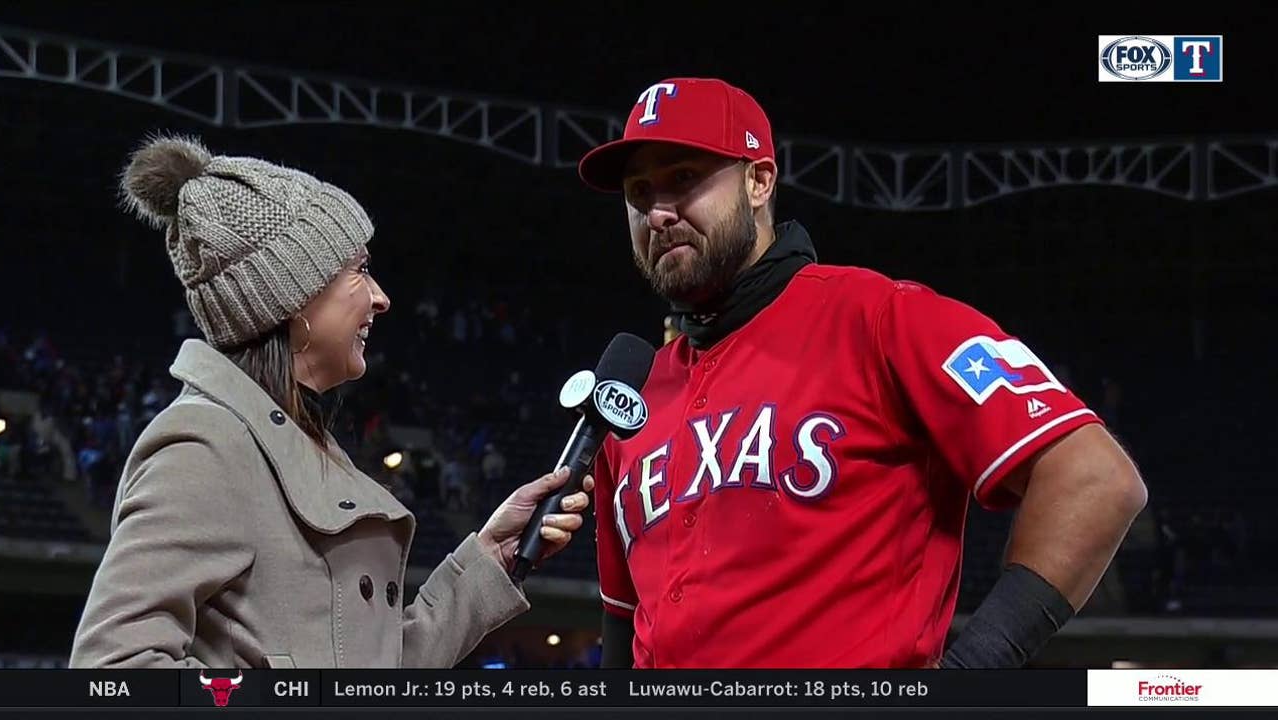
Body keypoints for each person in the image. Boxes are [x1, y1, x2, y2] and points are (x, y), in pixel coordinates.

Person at [577, 78, 1147, 668]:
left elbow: (1095, 478)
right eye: (638, 193)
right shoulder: (633, 398)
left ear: (759, 181)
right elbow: (624, 619)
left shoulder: (882, 319)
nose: (658, 212)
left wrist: (970, 677)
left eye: (683, 178)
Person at [70, 135, 592, 668]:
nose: (381, 297)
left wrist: (490, 559)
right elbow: (112, 667)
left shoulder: (297, 445)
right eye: (359, 269)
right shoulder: (205, 447)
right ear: (293, 296)